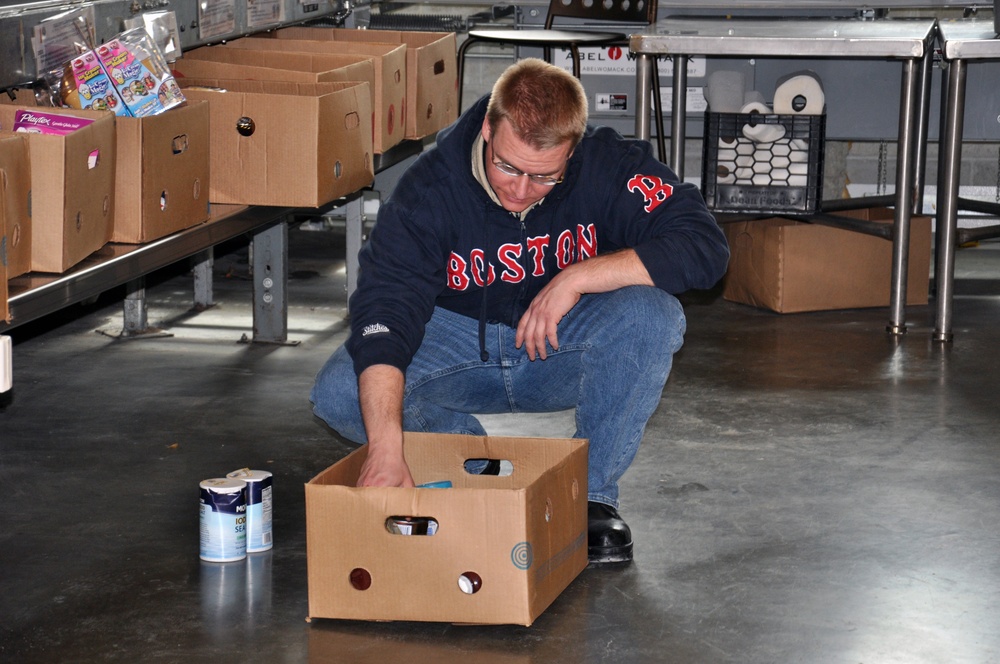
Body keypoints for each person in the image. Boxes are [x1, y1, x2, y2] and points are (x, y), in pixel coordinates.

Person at [311, 58, 729, 565]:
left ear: (571, 152)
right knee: (339, 390)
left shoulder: (609, 165)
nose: (519, 189)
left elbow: (705, 247)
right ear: (488, 128)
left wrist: (576, 278)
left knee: (652, 314)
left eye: (544, 177)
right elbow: (385, 311)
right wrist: (384, 446)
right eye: (507, 165)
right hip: (456, 345)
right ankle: (468, 458)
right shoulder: (429, 189)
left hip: (560, 347)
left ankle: (590, 497)